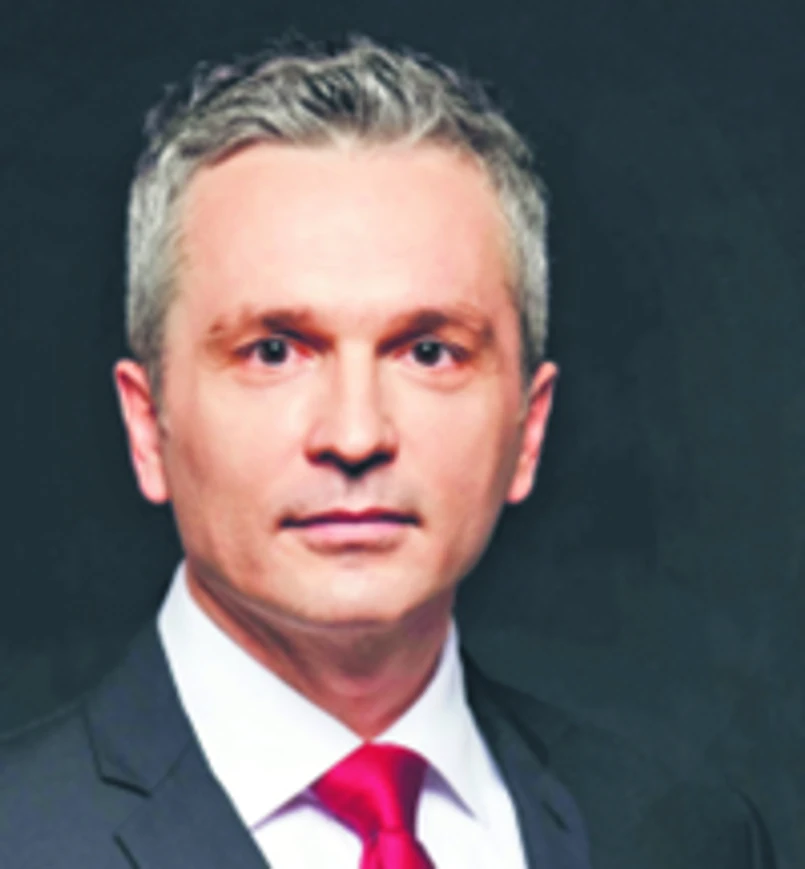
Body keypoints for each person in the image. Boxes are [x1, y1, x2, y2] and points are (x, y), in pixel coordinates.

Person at [0, 36, 776, 869]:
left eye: (429, 352)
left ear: (528, 425)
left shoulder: (692, 840)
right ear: (147, 423)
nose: (355, 434)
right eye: (273, 350)